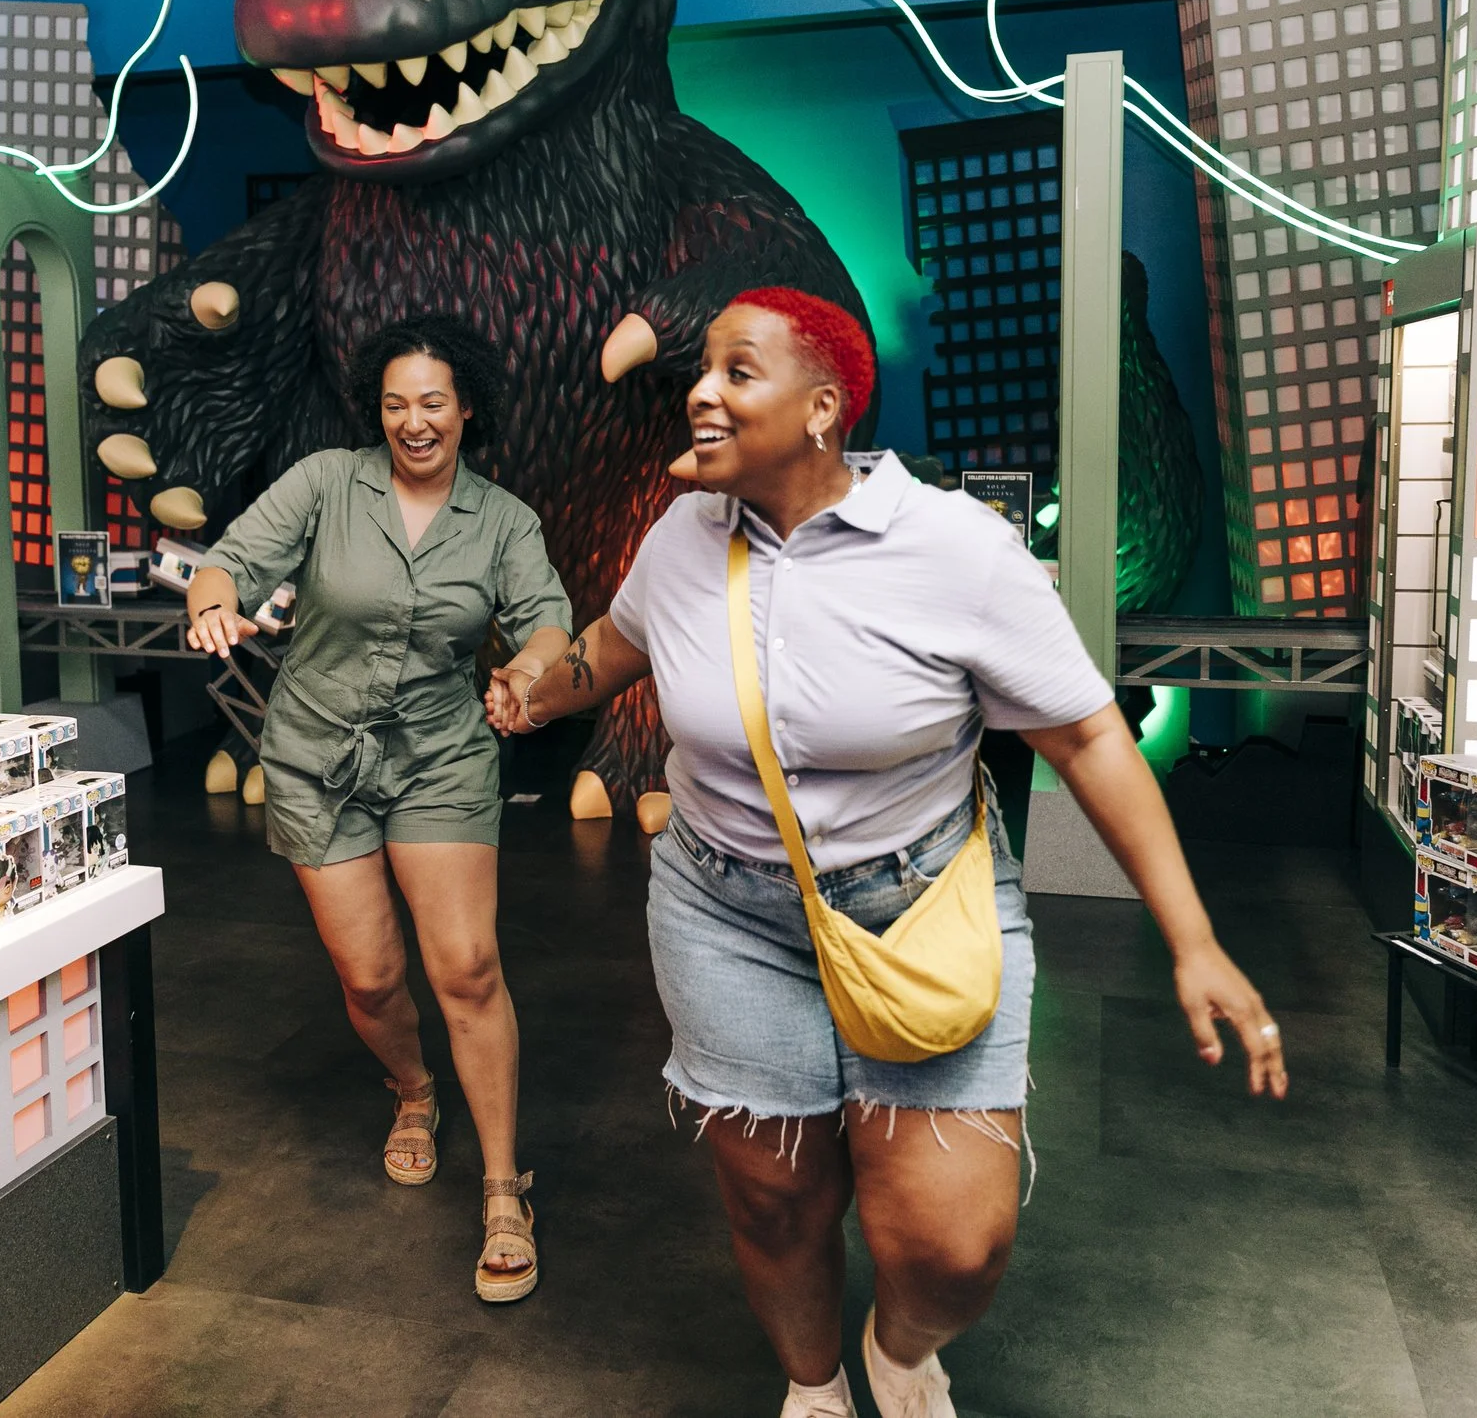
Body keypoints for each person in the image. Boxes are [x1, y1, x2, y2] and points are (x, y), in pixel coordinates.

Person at [487, 287, 1287, 1416]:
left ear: (824, 408)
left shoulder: (955, 547)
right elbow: (612, 646)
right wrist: (535, 685)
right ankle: (813, 1387)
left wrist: (1191, 938)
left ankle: (900, 1346)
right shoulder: (682, 535)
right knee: (775, 1199)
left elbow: (1089, 736)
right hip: (724, 910)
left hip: (918, 902)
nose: (701, 391)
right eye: (701, 368)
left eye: (736, 371)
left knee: (954, 1244)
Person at [187, 314, 573, 1304]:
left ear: (466, 407)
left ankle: (503, 1187)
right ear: (378, 410)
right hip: (317, 756)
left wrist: (526, 671)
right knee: (369, 976)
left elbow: (547, 624)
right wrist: (212, 603)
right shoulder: (327, 481)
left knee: (468, 967)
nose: (414, 421)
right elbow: (227, 561)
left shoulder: (502, 521)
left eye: (432, 402)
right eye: (396, 403)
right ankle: (413, 1089)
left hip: (439, 756)